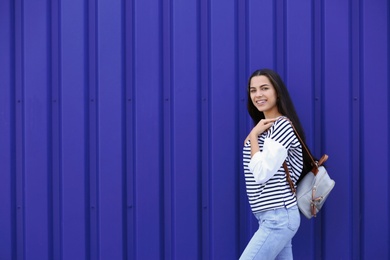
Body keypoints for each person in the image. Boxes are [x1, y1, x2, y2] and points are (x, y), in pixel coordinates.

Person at [240, 69, 312, 259]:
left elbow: (261, 173)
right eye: (253, 90)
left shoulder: (281, 126)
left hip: (278, 217)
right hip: (270, 217)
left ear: (277, 92)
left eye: (264, 88)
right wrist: (257, 133)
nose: (258, 95)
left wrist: (254, 136)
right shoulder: (266, 128)